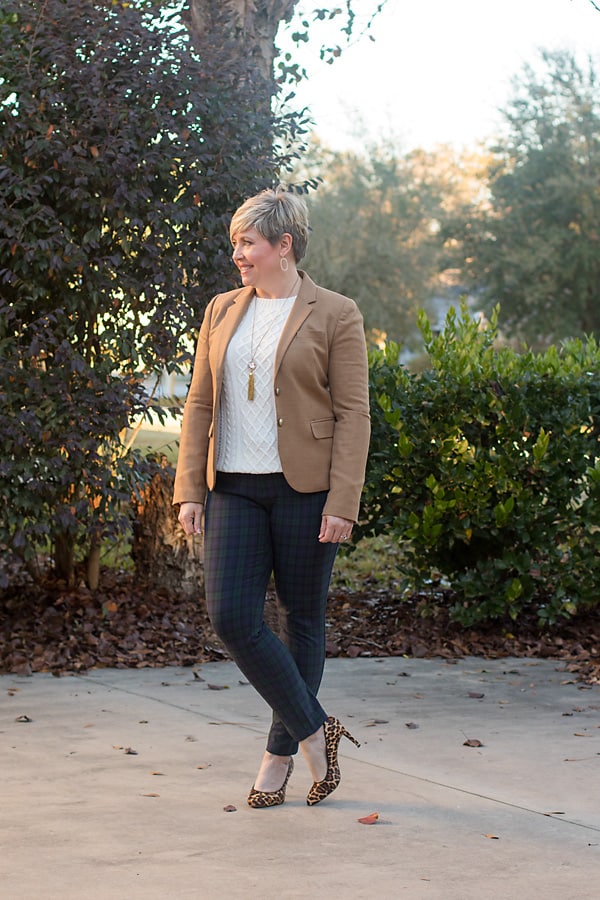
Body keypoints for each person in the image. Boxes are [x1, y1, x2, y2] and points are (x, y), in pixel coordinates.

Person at [174, 187, 370, 808]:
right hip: (232, 484)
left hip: (305, 491)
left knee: (301, 620)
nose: (238, 255)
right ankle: (317, 732)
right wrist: (189, 489)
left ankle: (278, 755)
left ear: (284, 246)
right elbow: (200, 401)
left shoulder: (337, 313)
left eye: (248, 243)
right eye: (236, 243)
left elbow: (353, 413)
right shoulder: (221, 310)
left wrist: (343, 500)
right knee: (231, 616)